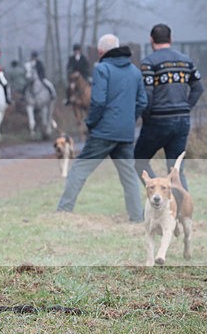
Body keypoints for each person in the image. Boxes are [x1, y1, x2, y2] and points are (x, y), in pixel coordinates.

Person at [57, 34, 147, 222]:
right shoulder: (135, 71)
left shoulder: (102, 69)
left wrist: (90, 123)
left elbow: (97, 101)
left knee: (79, 169)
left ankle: (63, 212)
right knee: (129, 177)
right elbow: (142, 102)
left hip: (103, 133)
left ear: (100, 52)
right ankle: (137, 218)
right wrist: (129, 120)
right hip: (125, 133)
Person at [134, 24, 203, 190]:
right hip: (182, 122)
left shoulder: (148, 63)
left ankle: (157, 193)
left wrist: (146, 116)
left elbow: (148, 94)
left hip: (157, 121)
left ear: (151, 40)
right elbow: (198, 88)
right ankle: (183, 213)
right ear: (171, 39)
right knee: (176, 171)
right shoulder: (186, 61)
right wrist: (186, 107)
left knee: (138, 160)